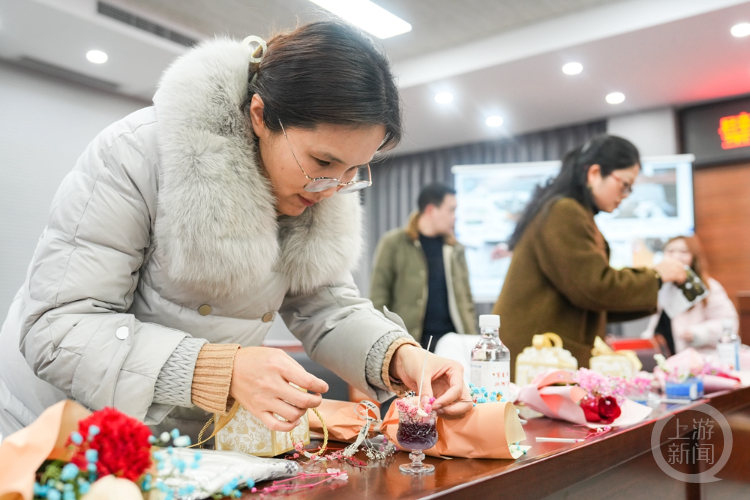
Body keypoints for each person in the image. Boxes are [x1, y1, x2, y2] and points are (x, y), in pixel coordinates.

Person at [0, 22, 472, 438]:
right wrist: (218, 369)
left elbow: (327, 306)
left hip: (182, 441)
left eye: (355, 170)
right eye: (323, 162)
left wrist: (399, 357)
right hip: (55, 426)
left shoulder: (315, 191)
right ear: (260, 115)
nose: (334, 188)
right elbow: (56, 328)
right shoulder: (138, 154)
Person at [493, 135, 688, 378]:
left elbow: (593, 298)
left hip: (544, 354)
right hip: (538, 358)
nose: (626, 194)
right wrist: (656, 275)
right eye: (625, 184)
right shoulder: (564, 211)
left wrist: (652, 288)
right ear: (595, 173)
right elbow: (594, 287)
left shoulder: (572, 211)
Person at [370, 183, 476, 352]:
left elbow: (467, 300)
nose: (455, 217)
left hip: (454, 344)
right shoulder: (394, 243)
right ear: (430, 210)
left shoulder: (455, 248)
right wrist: (386, 344)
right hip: (410, 343)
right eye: (451, 210)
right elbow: (379, 297)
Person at [641, 236, 738, 355]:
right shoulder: (662, 287)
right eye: (670, 251)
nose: (676, 256)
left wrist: (699, 333)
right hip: (663, 357)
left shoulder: (709, 287)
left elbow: (729, 323)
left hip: (697, 359)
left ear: (694, 256)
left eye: (684, 251)